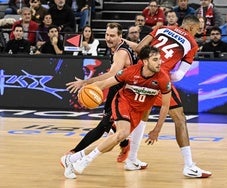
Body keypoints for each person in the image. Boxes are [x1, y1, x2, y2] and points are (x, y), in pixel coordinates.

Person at [61, 45, 172, 179]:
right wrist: (86, 89)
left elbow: (165, 106)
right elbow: (105, 83)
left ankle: (71, 159)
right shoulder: (130, 71)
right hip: (123, 102)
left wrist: (157, 130)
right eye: (155, 59)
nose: (159, 62)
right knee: (122, 133)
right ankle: (84, 162)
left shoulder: (163, 79)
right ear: (145, 61)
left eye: (160, 59)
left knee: (110, 144)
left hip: (138, 111)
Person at [124, 15, 212, 177]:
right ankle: (189, 166)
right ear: (191, 28)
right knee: (180, 119)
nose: (197, 33)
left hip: (140, 73)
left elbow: (139, 49)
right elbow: (178, 75)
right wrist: (162, 76)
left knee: (144, 113)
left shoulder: (160, 28)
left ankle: (131, 159)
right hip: (159, 77)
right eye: (198, 30)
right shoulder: (192, 43)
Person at [61, 22, 139, 178]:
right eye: (107, 35)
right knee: (108, 124)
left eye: (112, 36)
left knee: (103, 126)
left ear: (120, 36)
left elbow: (112, 75)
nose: (108, 38)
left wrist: (86, 82)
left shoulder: (120, 53)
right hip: (116, 89)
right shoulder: (120, 45)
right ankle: (125, 144)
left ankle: (74, 153)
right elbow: (137, 47)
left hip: (124, 92)